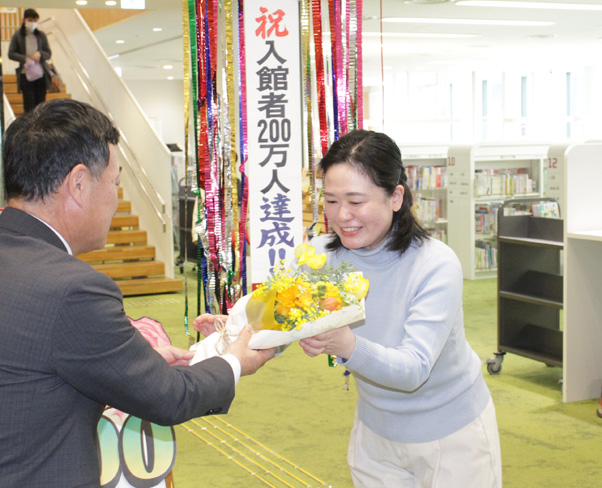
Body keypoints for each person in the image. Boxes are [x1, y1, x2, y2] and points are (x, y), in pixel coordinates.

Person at [0, 98, 274, 487]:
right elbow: (167, 398)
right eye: (115, 182)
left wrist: (133, 364)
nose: (116, 197)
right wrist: (234, 362)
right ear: (78, 184)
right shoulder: (72, 288)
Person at [298, 130, 502, 487]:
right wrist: (231, 330)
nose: (342, 215)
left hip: (452, 433)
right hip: (375, 432)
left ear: (395, 197)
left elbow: (414, 368)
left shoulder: (435, 264)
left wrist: (345, 345)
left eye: (356, 201)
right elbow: (282, 313)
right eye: (330, 201)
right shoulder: (322, 255)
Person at [8, 8, 52, 112]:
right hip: (26, 74)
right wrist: (24, 59)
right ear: (24, 20)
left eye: (34, 21)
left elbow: (48, 53)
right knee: (29, 104)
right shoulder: (18, 35)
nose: (32, 23)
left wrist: (40, 54)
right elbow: (11, 53)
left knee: (41, 105)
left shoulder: (41, 35)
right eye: (30, 20)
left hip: (41, 74)